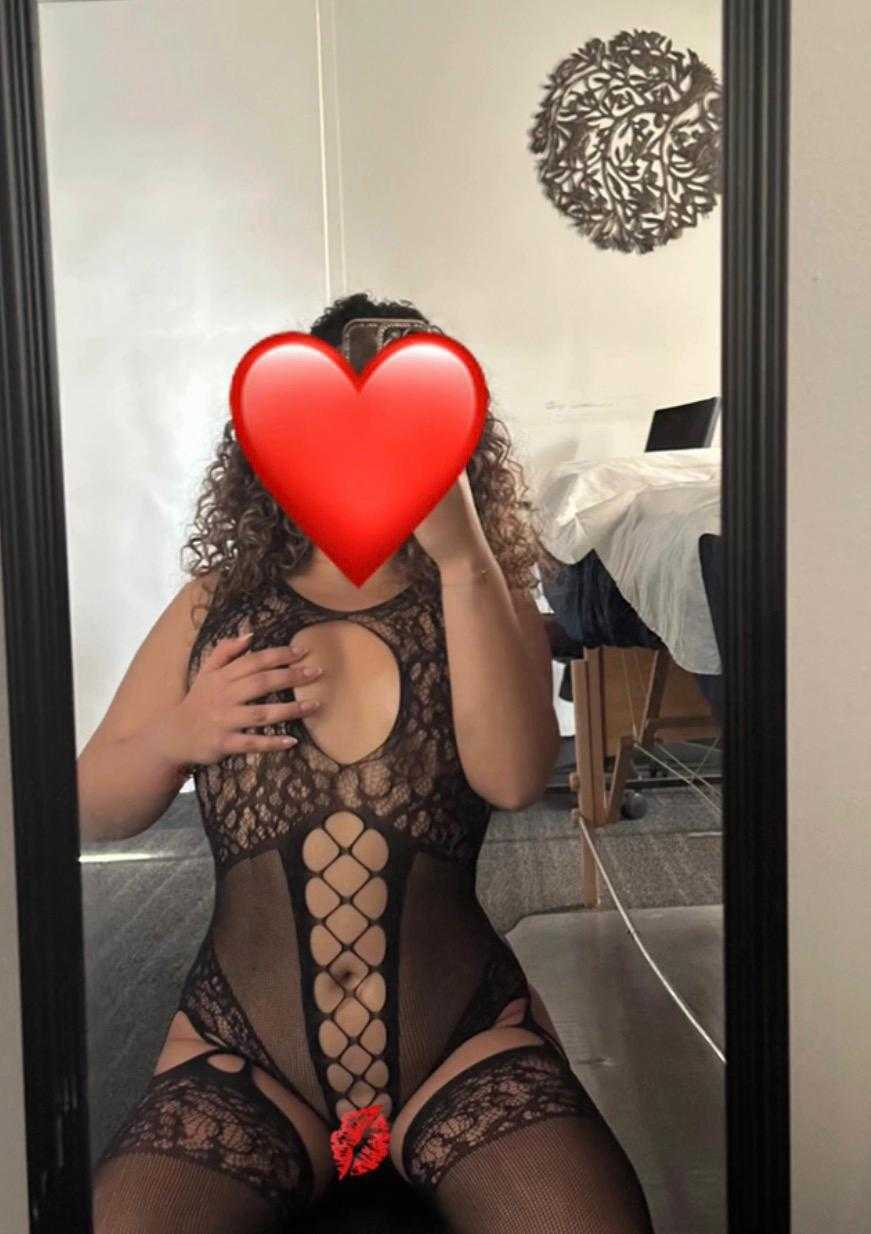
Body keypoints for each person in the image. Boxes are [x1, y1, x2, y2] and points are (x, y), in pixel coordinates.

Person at [79, 291, 654, 1233]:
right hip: (245, 1054)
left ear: (452, 449)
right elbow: (92, 806)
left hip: (460, 1048)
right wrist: (178, 734)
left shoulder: (479, 593)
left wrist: (465, 560)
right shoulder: (218, 604)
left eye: (404, 432)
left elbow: (515, 777)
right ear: (279, 447)